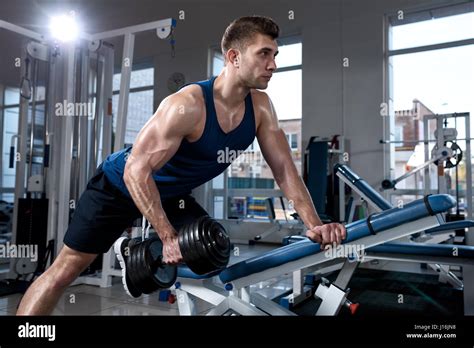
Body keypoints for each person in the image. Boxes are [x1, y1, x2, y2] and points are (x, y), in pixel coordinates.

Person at [17, 15, 346, 315]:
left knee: (209, 247)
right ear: (233, 57)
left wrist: (314, 224)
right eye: (264, 54)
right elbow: (136, 170)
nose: (273, 64)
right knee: (66, 269)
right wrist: (167, 235)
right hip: (118, 185)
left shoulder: (261, 108)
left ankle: (138, 252)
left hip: (169, 193)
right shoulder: (186, 105)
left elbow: (285, 171)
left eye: (275, 56)